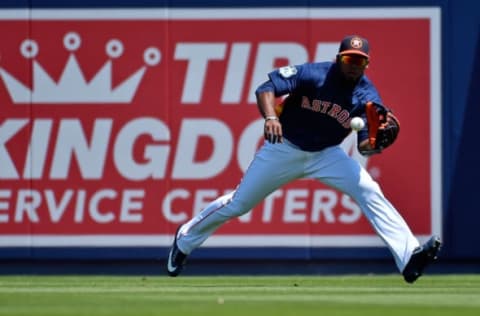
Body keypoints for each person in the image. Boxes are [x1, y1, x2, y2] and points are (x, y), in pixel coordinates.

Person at [166, 35, 441, 283]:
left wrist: (376, 144)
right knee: (239, 203)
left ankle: (409, 257)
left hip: (327, 154)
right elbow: (265, 88)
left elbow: (365, 146)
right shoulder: (315, 74)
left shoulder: (367, 97)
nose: (353, 65)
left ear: (367, 64)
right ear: (338, 59)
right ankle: (185, 239)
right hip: (284, 147)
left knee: (369, 190)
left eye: (360, 61)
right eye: (349, 58)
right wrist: (271, 117)